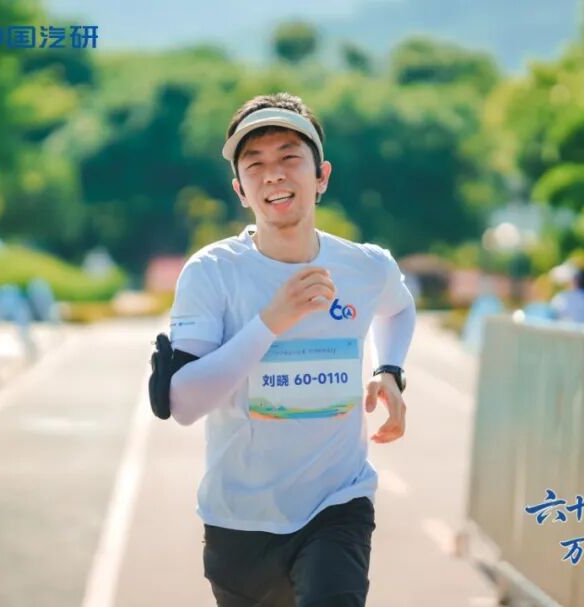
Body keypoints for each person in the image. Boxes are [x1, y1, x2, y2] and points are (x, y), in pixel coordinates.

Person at [166, 92, 416, 606]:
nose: (273, 175)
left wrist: (389, 369)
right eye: (255, 164)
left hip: (337, 504)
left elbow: (398, 308)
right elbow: (184, 404)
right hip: (239, 519)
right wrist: (271, 321)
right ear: (240, 190)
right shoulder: (212, 273)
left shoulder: (365, 267)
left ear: (321, 176)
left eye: (289, 158)